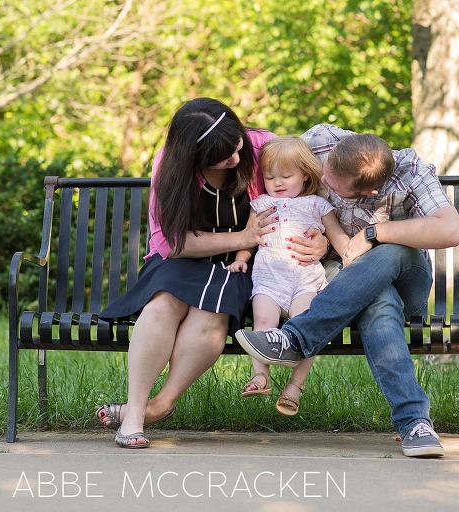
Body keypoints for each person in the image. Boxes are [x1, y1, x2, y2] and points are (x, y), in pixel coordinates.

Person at [94, 99, 329, 448]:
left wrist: (321, 240)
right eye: (220, 158)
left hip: (238, 261)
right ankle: (135, 412)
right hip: (183, 256)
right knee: (163, 305)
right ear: (192, 157)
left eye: (235, 148)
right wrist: (243, 236)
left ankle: (161, 405)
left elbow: (309, 195)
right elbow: (169, 242)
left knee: (211, 315)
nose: (234, 160)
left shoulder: (261, 145)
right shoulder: (170, 167)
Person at [235, 124, 459, 458]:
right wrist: (324, 241)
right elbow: (268, 156)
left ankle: (295, 339)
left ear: (369, 191)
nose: (323, 182)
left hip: (407, 277)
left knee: (391, 249)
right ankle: (415, 422)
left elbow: (450, 230)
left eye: (333, 185)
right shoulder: (322, 142)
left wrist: (377, 232)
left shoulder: (411, 172)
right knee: (380, 302)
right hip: (338, 279)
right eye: (324, 174)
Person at [228, 136, 350, 416]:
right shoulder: (260, 203)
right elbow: (250, 238)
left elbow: (336, 235)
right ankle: (260, 376)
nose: (278, 183)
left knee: (305, 325)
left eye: (286, 176)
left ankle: (295, 386)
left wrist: (349, 254)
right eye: (270, 177)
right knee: (263, 321)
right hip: (269, 278)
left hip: (305, 278)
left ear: (305, 175)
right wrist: (240, 259)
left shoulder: (318, 205)